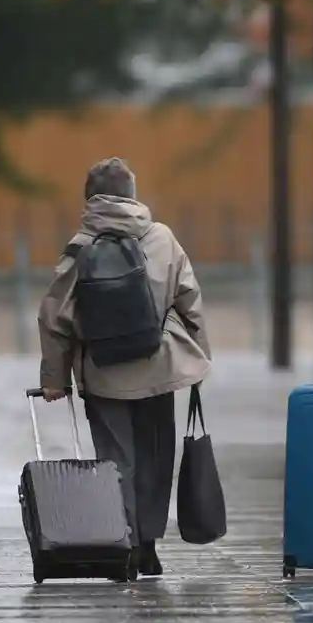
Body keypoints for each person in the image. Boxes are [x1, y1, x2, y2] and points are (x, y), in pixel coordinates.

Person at [38, 157, 212, 577]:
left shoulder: (80, 247)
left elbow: (54, 318)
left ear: (90, 198)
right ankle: (149, 544)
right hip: (160, 368)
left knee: (116, 462)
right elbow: (191, 301)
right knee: (155, 458)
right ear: (133, 194)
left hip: (104, 372)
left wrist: (55, 379)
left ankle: (127, 542)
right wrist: (196, 358)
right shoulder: (163, 238)